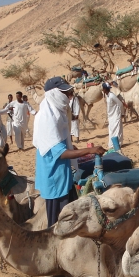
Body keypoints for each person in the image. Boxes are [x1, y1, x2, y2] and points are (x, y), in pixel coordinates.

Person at [33, 76, 106, 227]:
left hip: (62, 175)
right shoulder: (47, 117)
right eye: (65, 94)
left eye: (69, 93)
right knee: (58, 222)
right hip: (54, 178)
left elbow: (61, 143)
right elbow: (60, 153)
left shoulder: (56, 112)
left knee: (71, 216)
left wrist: (74, 149)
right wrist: (90, 150)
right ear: (54, 94)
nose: (69, 97)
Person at [103, 82, 123, 148]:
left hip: (116, 115)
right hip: (111, 116)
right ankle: (111, 144)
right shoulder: (107, 96)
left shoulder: (112, 96)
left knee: (117, 130)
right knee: (111, 130)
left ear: (105, 89)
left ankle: (118, 144)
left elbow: (120, 104)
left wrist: (122, 113)